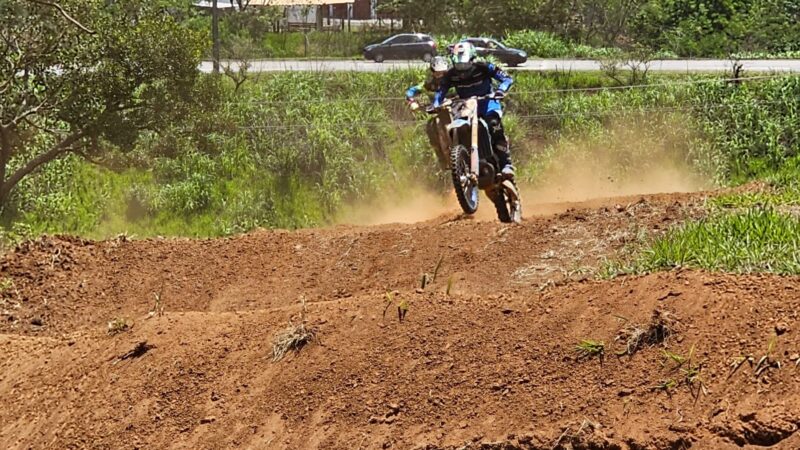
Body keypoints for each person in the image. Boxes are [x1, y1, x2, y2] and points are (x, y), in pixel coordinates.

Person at [433, 41, 515, 179]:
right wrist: (436, 103)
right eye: (458, 65)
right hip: (466, 106)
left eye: (465, 64)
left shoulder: (484, 67)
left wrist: (501, 90)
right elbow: (441, 91)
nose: (462, 69)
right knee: (453, 128)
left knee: (494, 124)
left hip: (487, 102)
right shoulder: (451, 74)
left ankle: (506, 163)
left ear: (472, 59)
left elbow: (506, 78)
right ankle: (460, 162)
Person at [405, 56, 452, 170]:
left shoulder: (454, 80)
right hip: (439, 112)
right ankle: (442, 159)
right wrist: (411, 101)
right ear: (432, 72)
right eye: (437, 73)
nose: (440, 76)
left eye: (443, 72)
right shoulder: (429, 84)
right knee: (431, 127)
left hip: (458, 108)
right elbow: (411, 90)